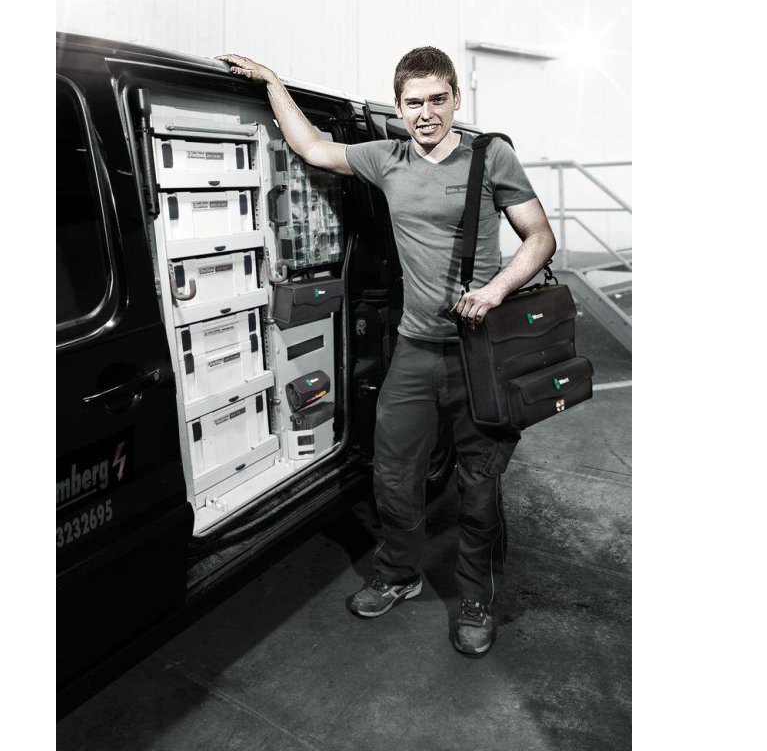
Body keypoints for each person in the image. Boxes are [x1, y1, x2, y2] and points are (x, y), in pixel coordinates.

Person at [217, 47, 557, 655]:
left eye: (437, 99)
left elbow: (539, 237)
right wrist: (272, 81)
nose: (426, 113)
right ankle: (399, 572)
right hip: (415, 350)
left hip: (480, 355)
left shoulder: (490, 156)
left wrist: (497, 289)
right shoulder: (387, 158)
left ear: (455, 98)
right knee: (395, 476)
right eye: (413, 102)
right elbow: (313, 148)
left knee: (479, 485)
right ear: (398, 107)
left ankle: (476, 597)